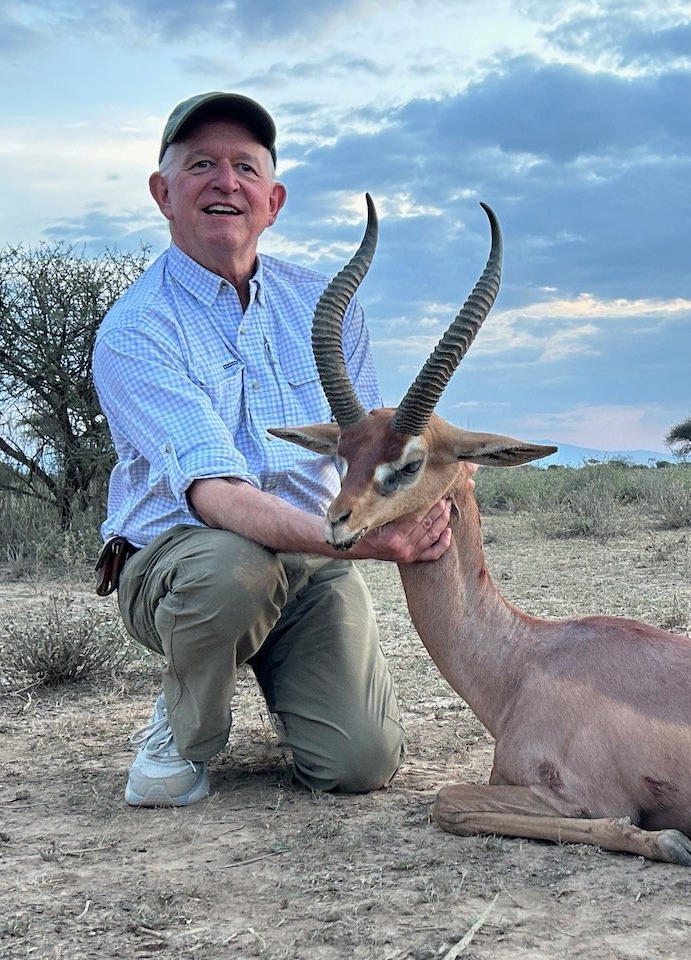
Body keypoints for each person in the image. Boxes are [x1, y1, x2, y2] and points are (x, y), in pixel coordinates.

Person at [93, 92, 455, 806]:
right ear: (163, 194)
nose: (225, 181)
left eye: (244, 167)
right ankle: (182, 731)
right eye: (201, 165)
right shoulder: (136, 328)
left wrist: (441, 477)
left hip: (312, 558)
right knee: (235, 568)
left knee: (360, 764)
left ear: (273, 199)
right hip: (185, 561)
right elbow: (215, 497)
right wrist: (358, 542)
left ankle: (269, 683)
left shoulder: (329, 304)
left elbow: (373, 445)